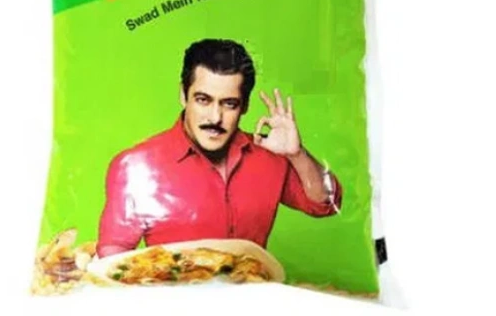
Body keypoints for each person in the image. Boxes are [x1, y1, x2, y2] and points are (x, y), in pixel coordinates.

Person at [97, 39, 342, 257]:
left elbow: (328, 204)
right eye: (203, 100)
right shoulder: (136, 165)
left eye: (229, 104)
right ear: (183, 94)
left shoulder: (269, 154)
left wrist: (297, 155)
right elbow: (114, 254)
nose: (215, 117)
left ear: (245, 106)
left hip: (254, 290)